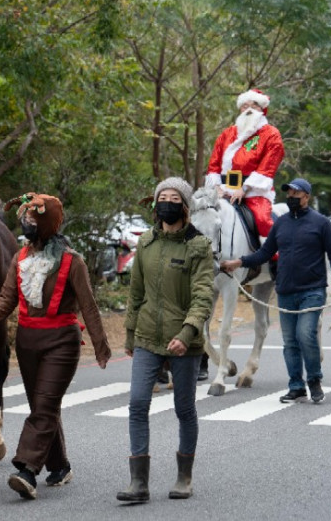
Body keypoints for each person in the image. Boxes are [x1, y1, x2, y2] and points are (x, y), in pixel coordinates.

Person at [0, 193, 111, 501]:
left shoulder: (71, 261)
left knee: (45, 405)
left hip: (61, 341)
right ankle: (60, 466)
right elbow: (8, 296)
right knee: (43, 407)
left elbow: (89, 306)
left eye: (34, 220)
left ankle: (26, 470)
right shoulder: (21, 257)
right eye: (25, 219)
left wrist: (102, 348)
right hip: (27, 341)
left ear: (48, 224)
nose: (27, 224)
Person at [116, 178, 213, 504]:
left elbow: (202, 298)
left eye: (174, 199)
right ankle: (138, 484)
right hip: (147, 336)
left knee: (184, 408)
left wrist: (187, 334)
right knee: (137, 404)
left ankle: (184, 477)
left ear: (185, 207)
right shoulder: (145, 243)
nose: (166, 204)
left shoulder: (198, 246)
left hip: (183, 340)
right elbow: (136, 293)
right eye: (162, 198)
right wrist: (130, 334)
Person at [220, 177, 331, 404]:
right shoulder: (281, 223)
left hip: (312, 290)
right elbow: (264, 254)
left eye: (296, 194)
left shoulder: (321, 223)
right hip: (286, 290)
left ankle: (314, 380)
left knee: (305, 335)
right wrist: (238, 262)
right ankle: (296, 385)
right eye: (288, 194)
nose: (291, 198)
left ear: (307, 196)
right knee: (289, 341)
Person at [204, 89, 285, 237]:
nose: (248, 109)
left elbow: (267, 168)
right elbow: (214, 165)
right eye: (244, 106)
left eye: (254, 106)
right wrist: (216, 188)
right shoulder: (226, 134)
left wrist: (244, 189)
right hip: (223, 189)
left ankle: (275, 257)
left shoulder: (271, 134)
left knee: (263, 220)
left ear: (262, 109)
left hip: (254, 191)